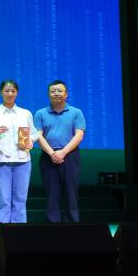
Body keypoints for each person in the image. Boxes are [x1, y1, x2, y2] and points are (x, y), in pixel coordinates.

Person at [0, 79, 37, 224]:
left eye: (13, 91)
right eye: (7, 91)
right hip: (1, 161)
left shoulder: (25, 113)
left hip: (23, 160)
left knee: (20, 199)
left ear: (17, 93)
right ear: (1, 92)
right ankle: (4, 230)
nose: (10, 94)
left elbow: (34, 133)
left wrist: (30, 141)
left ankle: (19, 232)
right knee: (4, 199)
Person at [34, 80, 86, 223]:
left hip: (70, 156)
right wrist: (52, 153)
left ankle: (73, 225)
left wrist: (63, 152)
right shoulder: (40, 113)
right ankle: (53, 227)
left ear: (66, 94)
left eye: (60, 91)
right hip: (48, 156)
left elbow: (79, 135)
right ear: (48, 94)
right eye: (53, 91)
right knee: (51, 194)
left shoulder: (76, 112)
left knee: (71, 193)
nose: (56, 93)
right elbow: (38, 136)